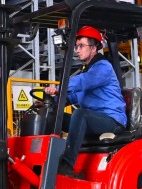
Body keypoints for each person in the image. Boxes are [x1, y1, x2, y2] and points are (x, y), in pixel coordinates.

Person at [44, 26, 126, 178]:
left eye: (81, 46)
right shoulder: (88, 70)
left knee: (80, 114)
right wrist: (52, 102)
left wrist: (58, 88)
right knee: (53, 117)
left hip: (112, 121)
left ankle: (66, 165)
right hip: (93, 121)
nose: (77, 50)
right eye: (76, 46)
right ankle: (45, 160)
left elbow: (83, 81)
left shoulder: (103, 68)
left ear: (93, 48)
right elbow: (74, 97)